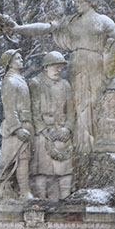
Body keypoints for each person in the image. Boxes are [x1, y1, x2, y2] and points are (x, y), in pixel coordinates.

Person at [0, 0, 115, 157]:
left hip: (95, 65)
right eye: (76, 2)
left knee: (95, 102)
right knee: (75, 104)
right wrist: (18, 28)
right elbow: (45, 28)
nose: (76, 5)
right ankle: (79, 146)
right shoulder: (71, 22)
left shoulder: (104, 21)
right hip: (76, 65)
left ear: (90, 2)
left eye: (80, 2)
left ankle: (96, 145)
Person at [0, 49, 34, 204]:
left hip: (26, 123)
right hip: (15, 129)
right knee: (11, 161)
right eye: (18, 58)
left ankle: (23, 192)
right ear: (10, 63)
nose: (21, 60)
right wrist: (17, 128)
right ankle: (9, 192)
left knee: (24, 158)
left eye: (21, 57)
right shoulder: (10, 81)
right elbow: (9, 108)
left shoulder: (20, 79)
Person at [28, 51, 73, 199]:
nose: (58, 70)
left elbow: (71, 111)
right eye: (55, 66)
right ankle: (40, 203)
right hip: (43, 133)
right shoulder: (35, 83)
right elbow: (33, 110)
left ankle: (65, 202)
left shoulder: (65, 85)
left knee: (65, 170)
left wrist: (67, 128)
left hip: (62, 133)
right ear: (46, 67)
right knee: (41, 170)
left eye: (60, 67)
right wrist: (43, 130)